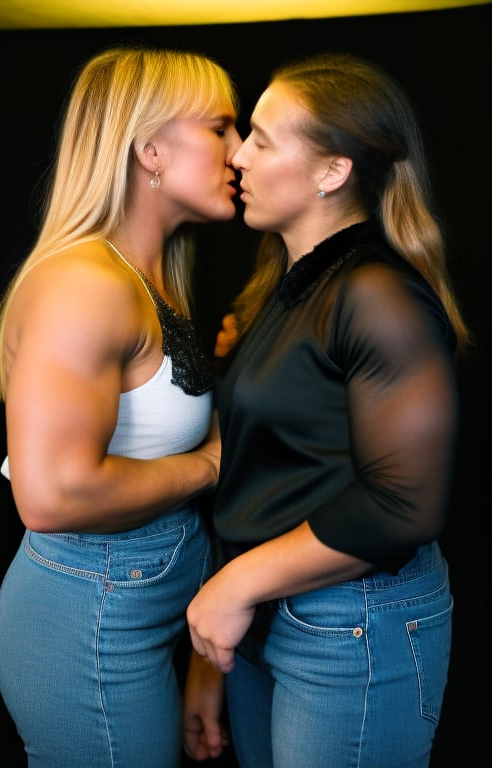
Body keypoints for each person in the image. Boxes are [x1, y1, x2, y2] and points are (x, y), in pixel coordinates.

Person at [182, 51, 471, 768]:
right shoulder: (282, 287)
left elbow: (403, 506)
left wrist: (230, 588)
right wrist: (214, 654)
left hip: (355, 624)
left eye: (262, 138)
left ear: (331, 172)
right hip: (270, 621)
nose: (238, 157)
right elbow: (264, 477)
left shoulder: (377, 296)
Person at [0, 44, 241, 768]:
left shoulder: (153, 273)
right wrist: (210, 465)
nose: (241, 150)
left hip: (148, 596)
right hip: (88, 617)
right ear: (150, 149)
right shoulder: (86, 283)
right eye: (221, 127)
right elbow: (52, 494)